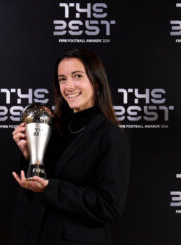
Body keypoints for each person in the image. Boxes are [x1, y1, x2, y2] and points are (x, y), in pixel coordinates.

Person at [12, 48, 130, 245]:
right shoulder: (53, 127)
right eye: (62, 79)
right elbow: (37, 197)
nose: (69, 86)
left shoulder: (110, 136)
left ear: (97, 81)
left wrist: (51, 187)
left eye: (77, 76)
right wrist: (29, 156)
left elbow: (109, 207)